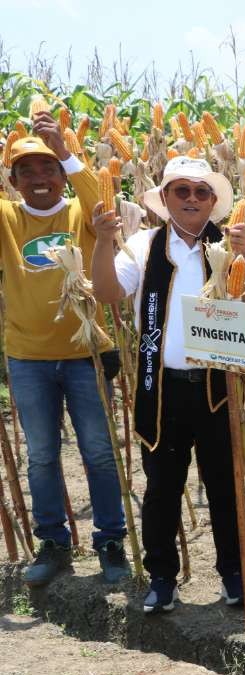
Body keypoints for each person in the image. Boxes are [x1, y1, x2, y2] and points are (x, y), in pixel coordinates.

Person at [90, 155, 245, 614]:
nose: (192, 199)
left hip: (217, 387)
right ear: (164, 199)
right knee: (162, 485)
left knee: (224, 484)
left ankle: (234, 573)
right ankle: (162, 576)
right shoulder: (143, 246)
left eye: (202, 192)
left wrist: (244, 257)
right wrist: (103, 242)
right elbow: (105, 292)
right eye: (182, 191)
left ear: (214, 201)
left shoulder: (231, 244)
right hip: (160, 388)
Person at [2, 115, 131, 587]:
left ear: (61, 174)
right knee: (40, 455)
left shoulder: (80, 213)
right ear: (12, 181)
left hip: (84, 355)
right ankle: (53, 542)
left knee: (98, 451)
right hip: (28, 357)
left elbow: (104, 206)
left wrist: (65, 147)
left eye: (49, 169)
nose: (40, 179)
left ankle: (111, 540)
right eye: (28, 172)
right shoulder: (7, 218)